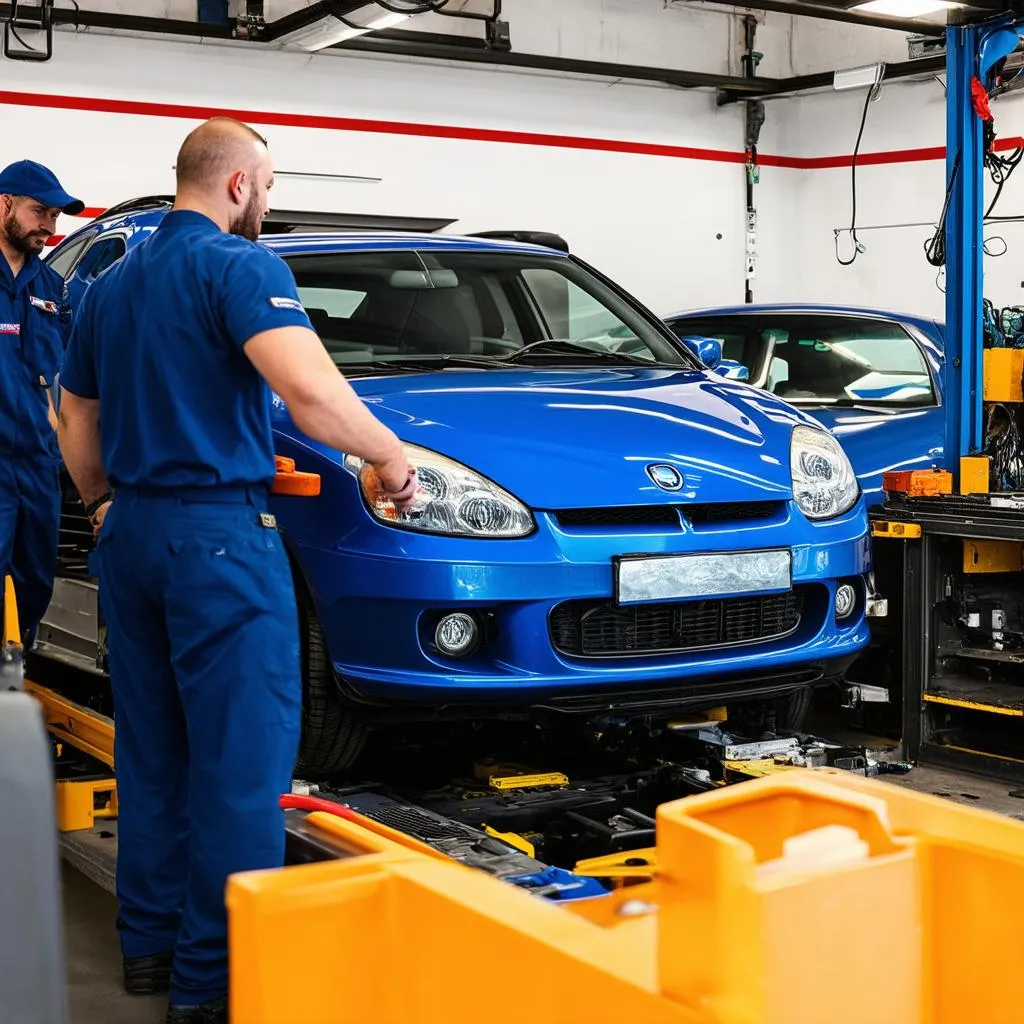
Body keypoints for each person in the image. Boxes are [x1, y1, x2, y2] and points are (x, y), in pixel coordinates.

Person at [57, 117, 416, 1024]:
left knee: (153, 751)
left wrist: (104, 506)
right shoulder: (243, 268)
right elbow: (309, 391)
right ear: (236, 185)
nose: (270, 202)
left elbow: (73, 416)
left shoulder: (111, 282)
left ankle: (148, 948)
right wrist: (392, 459)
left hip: (132, 538)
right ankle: (215, 988)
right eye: (270, 185)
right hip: (220, 538)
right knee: (239, 767)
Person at [0, 160, 83, 640]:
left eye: (55, 215)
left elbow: (70, 377)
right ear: (4, 203)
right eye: (39, 211)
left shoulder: (52, 289)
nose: (49, 226)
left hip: (37, 465)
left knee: (33, 581)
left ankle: (15, 671)